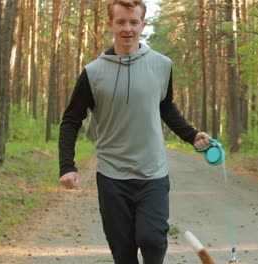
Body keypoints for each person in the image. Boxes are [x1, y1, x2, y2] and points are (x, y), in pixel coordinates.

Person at [58, 1, 210, 263]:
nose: (127, 28)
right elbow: (71, 120)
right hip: (112, 175)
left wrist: (191, 134)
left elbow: (165, 106)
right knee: (123, 253)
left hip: (153, 172)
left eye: (133, 22)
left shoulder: (162, 65)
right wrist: (66, 166)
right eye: (121, 22)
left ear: (143, 24)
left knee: (152, 240)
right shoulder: (93, 73)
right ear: (110, 25)